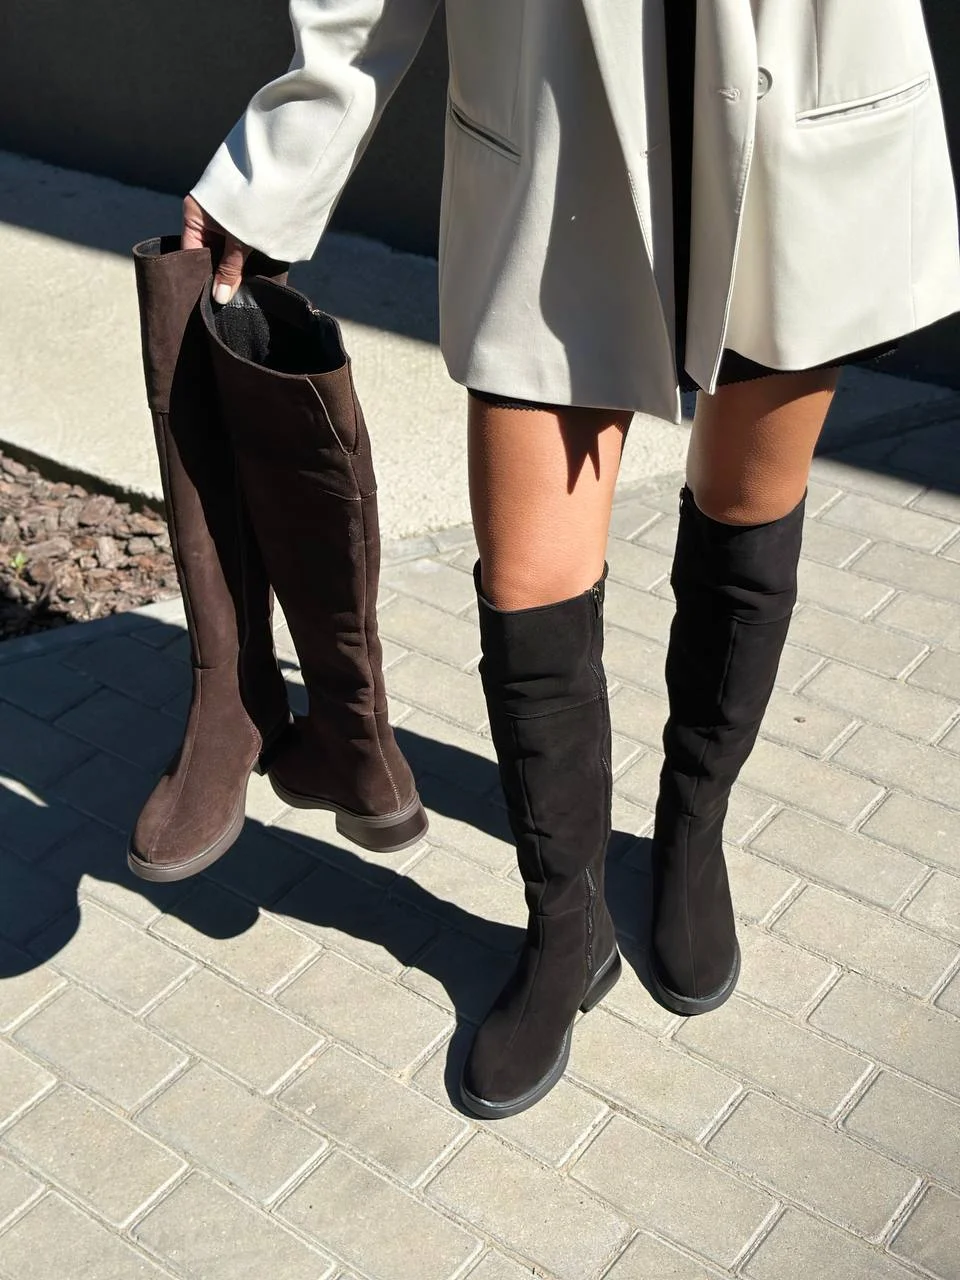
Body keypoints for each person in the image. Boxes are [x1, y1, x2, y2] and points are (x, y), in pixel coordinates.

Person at [179, 0, 960, 1118]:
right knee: (528, 575)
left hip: (795, 95)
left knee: (747, 503)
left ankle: (691, 831)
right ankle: (567, 923)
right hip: (556, 117)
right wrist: (276, 163)